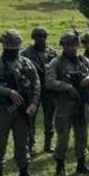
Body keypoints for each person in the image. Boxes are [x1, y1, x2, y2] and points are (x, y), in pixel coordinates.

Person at [0, 30, 42, 176]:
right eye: (9, 44)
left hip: (22, 109)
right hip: (1, 109)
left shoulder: (25, 63)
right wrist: (8, 92)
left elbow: (36, 84)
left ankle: (24, 172)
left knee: (22, 143)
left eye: (16, 45)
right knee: (0, 144)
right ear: (3, 44)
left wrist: (34, 103)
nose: (12, 48)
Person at [43, 32, 89, 176]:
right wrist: (67, 87)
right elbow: (49, 81)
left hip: (82, 103)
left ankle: (81, 164)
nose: (71, 48)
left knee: (82, 135)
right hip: (64, 104)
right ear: (63, 46)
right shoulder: (56, 62)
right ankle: (60, 167)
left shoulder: (84, 60)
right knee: (63, 137)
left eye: (74, 45)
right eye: (67, 45)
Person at [23, 27, 57, 155]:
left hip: (49, 90)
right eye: (38, 36)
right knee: (30, 118)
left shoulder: (52, 53)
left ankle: (48, 144)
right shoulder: (26, 54)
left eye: (43, 36)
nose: (41, 39)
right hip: (33, 91)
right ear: (33, 38)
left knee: (49, 118)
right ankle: (30, 145)